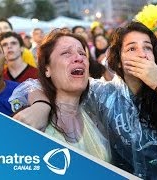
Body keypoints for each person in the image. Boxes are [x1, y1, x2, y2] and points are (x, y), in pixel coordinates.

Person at [10, 23, 157, 179]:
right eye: (131, 49)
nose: (142, 54)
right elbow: (39, 85)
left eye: (147, 48)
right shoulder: (104, 94)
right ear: (117, 59)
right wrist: (41, 105)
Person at [34, 30, 110, 162]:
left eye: (82, 53)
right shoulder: (34, 122)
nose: (79, 58)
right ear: (47, 69)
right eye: (66, 53)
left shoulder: (96, 113)